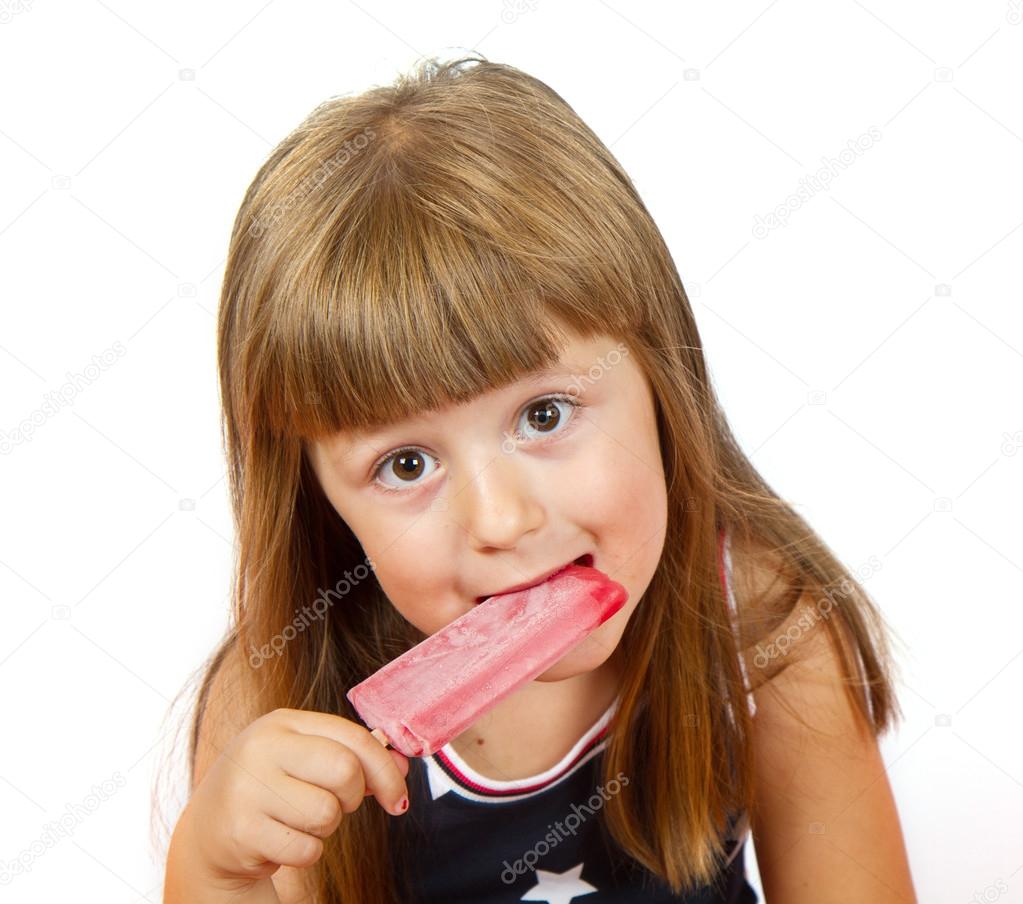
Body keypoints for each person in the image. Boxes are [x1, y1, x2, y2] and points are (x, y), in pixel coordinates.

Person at [162, 54, 917, 903]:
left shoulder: (762, 630)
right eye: (406, 464)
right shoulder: (281, 701)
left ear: (660, 381)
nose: (502, 519)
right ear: (319, 506)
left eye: (545, 415)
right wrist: (213, 870)